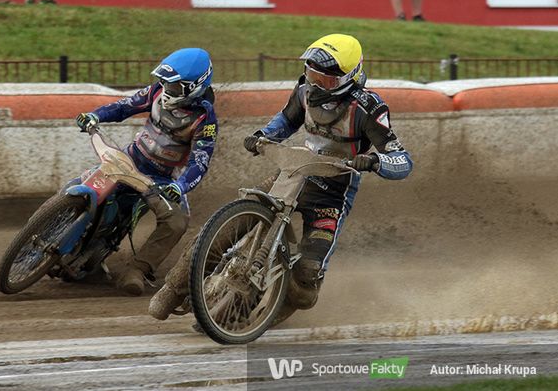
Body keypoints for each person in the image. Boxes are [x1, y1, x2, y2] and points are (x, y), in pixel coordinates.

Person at [149, 34, 413, 323]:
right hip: (293, 172)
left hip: (334, 190)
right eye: (311, 74)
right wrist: (264, 135)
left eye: (323, 79)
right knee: (230, 223)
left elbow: (402, 159)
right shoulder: (303, 91)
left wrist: (374, 161)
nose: (314, 83)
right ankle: (172, 290)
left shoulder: (369, 109)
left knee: (307, 282)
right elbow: (286, 121)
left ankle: (255, 315)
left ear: (347, 78)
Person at [75, 48, 217, 296]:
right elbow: (124, 106)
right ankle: (58, 221)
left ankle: (137, 269)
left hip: (161, 179)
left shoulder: (205, 119)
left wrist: (180, 187)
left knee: (177, 222)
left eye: (174, 86)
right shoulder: (156, 92)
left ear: (194, 87)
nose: (166, 89)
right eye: (165, 83)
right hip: (129, 159)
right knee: (81, 183)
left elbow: (200, 161)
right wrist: (95, 115)